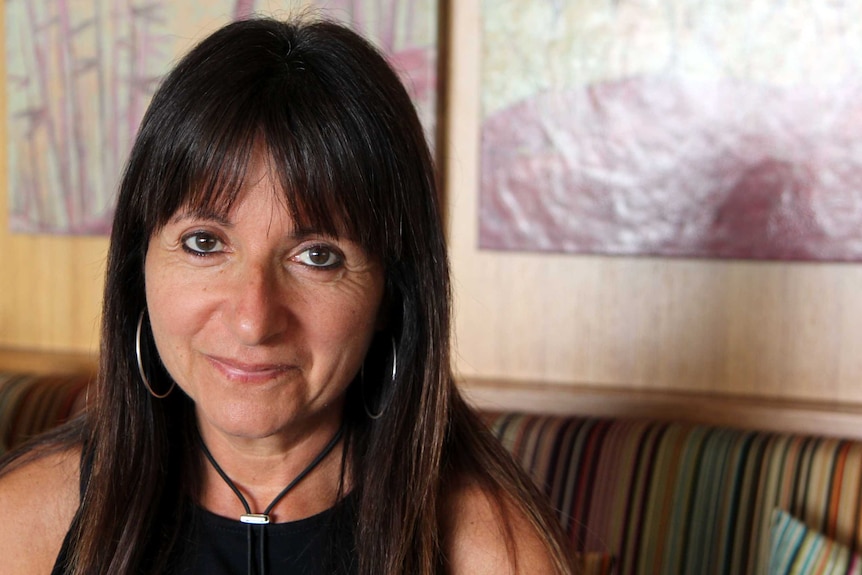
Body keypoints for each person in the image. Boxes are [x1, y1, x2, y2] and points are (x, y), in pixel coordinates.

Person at [0, 15, 576, 574]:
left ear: (392, 294)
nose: (254, 320)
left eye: (318, 256)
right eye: (204, 243)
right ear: (137, 264)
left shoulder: (493, 553)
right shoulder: (25, 525)